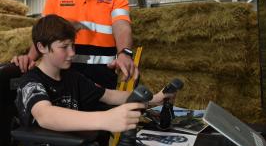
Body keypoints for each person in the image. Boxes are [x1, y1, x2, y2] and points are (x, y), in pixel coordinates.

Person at [15, 15, 170, 134]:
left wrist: (155, 99)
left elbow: (109, 95)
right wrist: (106, 119)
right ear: (41, 47)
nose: (72, 53)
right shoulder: (30, 81)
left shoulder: (72, 77)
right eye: (64, 47)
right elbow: (45, 115)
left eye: (73, 46)